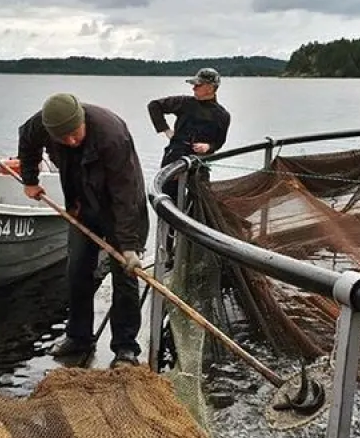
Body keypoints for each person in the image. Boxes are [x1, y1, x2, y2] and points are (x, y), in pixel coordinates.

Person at [18, 93, 149, 368]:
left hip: (120, 209)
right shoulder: (41, 125)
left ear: (82, 120)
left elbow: (125, 194)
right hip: (81, 207)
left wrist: (128, 245)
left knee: (124, 276)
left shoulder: (112, 135)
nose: (71, 141)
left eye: (74, 134)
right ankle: (78, 337)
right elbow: (27, 141)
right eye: (62, 138)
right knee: (77, 270)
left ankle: (125, 347)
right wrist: (30, 180)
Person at [147, 67, 231, 202]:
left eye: (198, 85)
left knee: (201, 199)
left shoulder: (223, 115)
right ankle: (167, 223)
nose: (193, 89)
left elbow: (219, 142)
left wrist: (208, 147)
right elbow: (154, 106)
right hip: (175, 156)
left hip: (199, 162)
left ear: (210, 88)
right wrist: (166, 130)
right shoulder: (185, 103)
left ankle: (191, 221)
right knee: (167, 198)